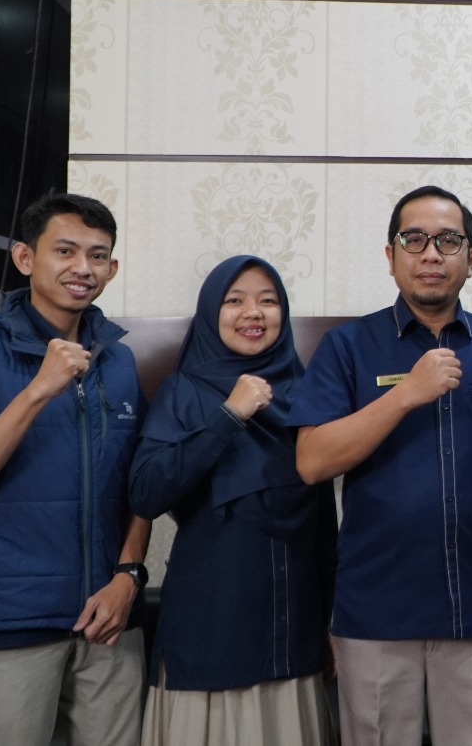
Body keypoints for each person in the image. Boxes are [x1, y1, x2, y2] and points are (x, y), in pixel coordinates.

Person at [288, 185, 472, 746]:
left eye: (449, 241)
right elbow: (311, 461)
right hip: (375, 611)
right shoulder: (347, 346)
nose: (431, 253)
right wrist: (406, 394)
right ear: (391, 255)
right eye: (415, 240)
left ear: (470, 258)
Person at [0, 192, 149, 746]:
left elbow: (139, 482)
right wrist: (39, 389)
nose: (82, 268)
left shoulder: (118, 358)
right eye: (64, 251)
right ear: (25, 257)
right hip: (6, 622)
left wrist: (128, 577)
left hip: (107, 621)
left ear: (112, 268)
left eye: (97, 256)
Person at [129, 255, 335, 745]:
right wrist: (229, 415)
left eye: (268, 301)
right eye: (235, 300)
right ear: (210, 312)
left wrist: (332, 619)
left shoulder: (307, 394)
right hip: (211, 619)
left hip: (293, 623)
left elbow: (324, 526)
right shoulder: (183, 391)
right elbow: (147, 492)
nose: (253, 312)